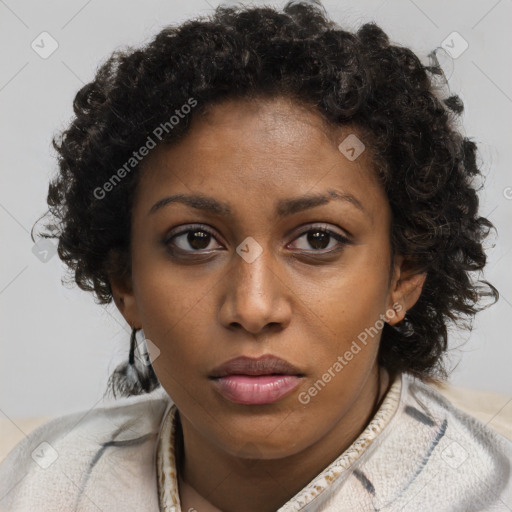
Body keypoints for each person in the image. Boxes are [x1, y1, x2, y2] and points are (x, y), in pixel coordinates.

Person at [1, 1, 511, 511]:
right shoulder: (38, 485)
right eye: (195, 240)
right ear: (125, 281)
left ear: (402, 276)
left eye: (318, 240)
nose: (253, 308)